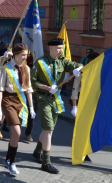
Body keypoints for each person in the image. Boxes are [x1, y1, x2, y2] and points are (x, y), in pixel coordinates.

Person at [31, 38, 82, 174]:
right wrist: (47, 88)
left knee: (50, 129)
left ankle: (37, 152)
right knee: (48, 129)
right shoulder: (40, 62)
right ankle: (46, 162)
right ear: (51, 48)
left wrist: (77, 70)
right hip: (43, 98)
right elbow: (33, 82)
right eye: (58, 48)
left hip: (55, 99)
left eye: (62, 48)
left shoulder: (63, 61)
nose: (61, 51)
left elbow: (78, 65)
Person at [0, 43, 35, 176]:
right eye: (23, 55)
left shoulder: (26, 69)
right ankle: (13, 163)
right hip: (8, 100)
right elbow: (0, 89)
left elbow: (28, 89)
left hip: (21, 101)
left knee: (14, 134)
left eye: (26, 55)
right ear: (16, 54)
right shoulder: (6, 69)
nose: (26, 57)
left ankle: (8, 159)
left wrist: (31, 107)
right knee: (17, 132)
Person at [70, 51, 100, 163]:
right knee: (80, 129)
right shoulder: (82, 72)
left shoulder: (99, 72)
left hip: (93, 104)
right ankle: (79, 152)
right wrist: (74, 106)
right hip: (82, 103)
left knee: (89, 129)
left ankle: (85, 152)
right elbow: (74, 89)